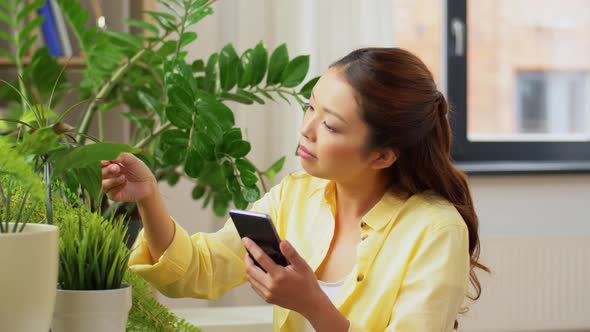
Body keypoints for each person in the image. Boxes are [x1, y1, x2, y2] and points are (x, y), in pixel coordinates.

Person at [101, 47, 488, 332]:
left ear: (382, 156)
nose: (306, 129)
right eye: (309, 107)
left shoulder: (435, 230)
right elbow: (197, 272)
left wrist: (313, 305)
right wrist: (148, 198)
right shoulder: (294, 198)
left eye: (331, 126)